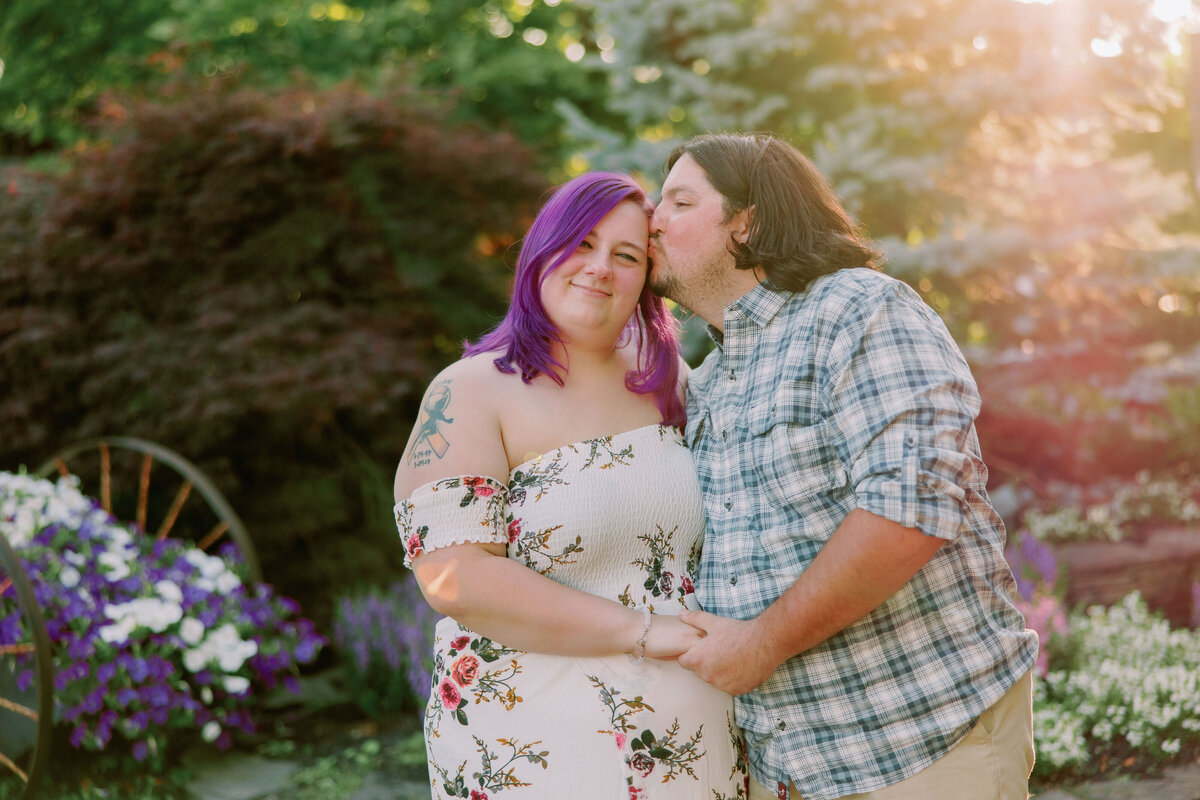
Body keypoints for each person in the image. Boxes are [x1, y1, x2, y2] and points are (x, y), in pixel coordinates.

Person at [648, 133, 1039, 800]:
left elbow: (912, 508)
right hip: (795, 769)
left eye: (679, 201)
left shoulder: (858, 308)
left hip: (924, 744)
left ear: (748, 222)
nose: (652, 218)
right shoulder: (709, 381)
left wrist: (760, 644)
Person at [393, 171, 750, 799]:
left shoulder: (668, 380)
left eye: (627, 254)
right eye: (581, 244)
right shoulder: (469, 391)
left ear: (647, 276)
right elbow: (453, 576)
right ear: (541, 249)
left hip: (692, 742)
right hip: (535, 747)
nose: (599, 268)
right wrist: (642, 631)